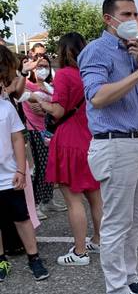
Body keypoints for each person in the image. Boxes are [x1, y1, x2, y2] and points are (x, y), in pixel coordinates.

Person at [79, 0, 138, 294]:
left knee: (136, 219)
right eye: (126, 15)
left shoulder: (133, 53)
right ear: (108, 19)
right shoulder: (96, 51)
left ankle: (129, 278)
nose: (133, 21)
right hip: (114, 143)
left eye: (135, 14)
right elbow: (97, 98)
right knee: (115, 222)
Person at [34, 33, 102, 266]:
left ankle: (80, 251)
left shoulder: (63, 74)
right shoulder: (91, 74)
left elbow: (59, 111)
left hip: (69, 140)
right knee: (95, 197)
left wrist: (42, 103)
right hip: (90, 138)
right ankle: (98, 240)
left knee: (73, 201)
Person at [0, 46, 50, 281]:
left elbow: (18, 139)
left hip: (9, 175)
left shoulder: (6, 107)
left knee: (22, 217)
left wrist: (21, 169)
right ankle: (1, 261)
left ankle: (34, 257)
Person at [22, 54, 61, 219]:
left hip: (51, 130)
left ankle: (48, 199)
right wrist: (49, 107)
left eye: (46, 65)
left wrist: (49, 107)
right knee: (41, 167)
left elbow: (56, 107)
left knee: (50, 166)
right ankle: (36, 204)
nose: (43, 69)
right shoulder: (27, 85)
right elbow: (37, 109)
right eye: (39, 66)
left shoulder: (49, 85)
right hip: (35, 130)